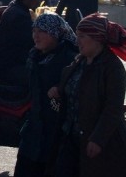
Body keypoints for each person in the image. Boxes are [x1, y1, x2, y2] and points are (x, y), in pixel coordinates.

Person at [50, 13, 126, 177]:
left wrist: (98, 139)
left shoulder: (112, 67)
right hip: (72, 138)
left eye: (82, 36)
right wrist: (58, 89)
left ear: (97, 38)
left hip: (100, 143)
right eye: (77, 36)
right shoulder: (80, 61)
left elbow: (113, 108)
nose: (78, 41)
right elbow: (71, 84)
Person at [14, 13, 78, 177]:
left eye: (42, 31)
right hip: (34, 131)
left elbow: (79, 89)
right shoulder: (34, 56)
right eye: (34, 31)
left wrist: (60, 88)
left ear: (55, 32)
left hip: (57, 132)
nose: (36, 35)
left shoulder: (69, 59)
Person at [0, 0, 42, 87]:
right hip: (10, 66)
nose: (38, 0)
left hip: (13, 62)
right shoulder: (19, 16)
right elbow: (33, 42)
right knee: (43, 77)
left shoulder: (16, 9)